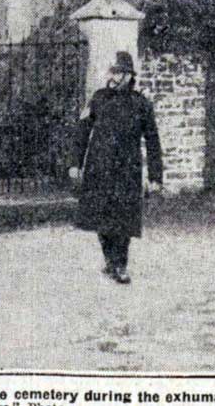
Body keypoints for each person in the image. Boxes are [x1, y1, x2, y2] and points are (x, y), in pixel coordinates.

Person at [69, 51, 163, 284]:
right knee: (101, 217)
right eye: (112, 71)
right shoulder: (98, 98)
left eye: (119, 72)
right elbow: (82, 132)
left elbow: (153, 141)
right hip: (99, 167)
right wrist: (74, 163)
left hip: (127, 170)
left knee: (123, 219)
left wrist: (155, 177)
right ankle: (110, 260)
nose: (114, 77)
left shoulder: (142, 104)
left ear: (130, 75)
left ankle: (120, 265)